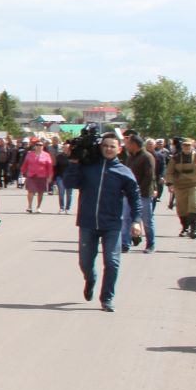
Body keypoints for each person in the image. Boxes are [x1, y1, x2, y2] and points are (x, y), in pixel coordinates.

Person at [63, 130, 142, 312]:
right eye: (105, 146)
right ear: (100, 147)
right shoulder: (88, 166)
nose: (108, 149)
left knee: (112, 262)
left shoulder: (124, 172)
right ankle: (90, 279)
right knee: (85, 263)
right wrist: (74, 162)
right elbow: (69, 183)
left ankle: (107, 298)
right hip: (87, 223)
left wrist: (136, 220)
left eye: (112, 146)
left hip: (112, 224)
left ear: (119, 149)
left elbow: (135, 197)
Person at [118, 132, 157, 253]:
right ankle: (125, 244)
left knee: (146, 220)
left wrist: (138, 191)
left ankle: (150, 244)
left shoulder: (147, 157)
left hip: (143, 194)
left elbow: (149, 177)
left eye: (128, 143)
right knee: (126, 219)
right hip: (129, 194)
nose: (126, 145)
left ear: (134, 144)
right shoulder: (131, 157)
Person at [166, 140, 196, 239]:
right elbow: (169, 171)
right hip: (180, 186)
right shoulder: (175, 158)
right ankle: (185, 227)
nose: (186, 148)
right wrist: (170, 183)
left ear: (193, 146)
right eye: (184, 146)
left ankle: (194, 229)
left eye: (188, 146)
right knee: (182, 208)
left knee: (194, 205)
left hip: (194, 184)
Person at [21, 138, 54, 212]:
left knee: (40, 192)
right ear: (35, 146)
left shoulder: (46, 155)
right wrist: (22, 172)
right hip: (31, 175)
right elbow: (25, 164)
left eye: (41, 145)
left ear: (43, 146)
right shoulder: (30, 154)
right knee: (30, 191)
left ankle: (38, 207)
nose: (39, 146)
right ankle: (29, 206)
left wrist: (50, 176)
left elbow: (49, 167)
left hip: (42, 176)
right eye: (37, 145)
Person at [51, 140, 74, 213]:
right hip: (60, 177)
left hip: (70, 178)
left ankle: (68, 208)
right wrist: (54, 178)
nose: (66, 149)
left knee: (69, 194)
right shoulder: (59, 156)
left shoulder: (73, 156)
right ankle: (61, 208)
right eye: (64, 148)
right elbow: (55, 167)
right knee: (61, 193)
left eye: (67, 148)